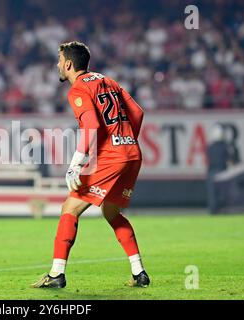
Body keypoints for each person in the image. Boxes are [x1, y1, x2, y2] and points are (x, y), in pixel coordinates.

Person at [32, 41, 150, 288]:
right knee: (111, 212)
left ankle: (56, 274)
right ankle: (139, 272)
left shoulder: (77, 90)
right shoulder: (109, 81)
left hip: (112, 157)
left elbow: (92, 127)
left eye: (59, 61)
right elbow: (138, 113)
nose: (57, 65)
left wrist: (75, 164)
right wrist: (126, 139)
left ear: (68, 64)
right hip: (132, 154)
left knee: (70, 208)